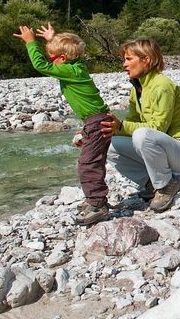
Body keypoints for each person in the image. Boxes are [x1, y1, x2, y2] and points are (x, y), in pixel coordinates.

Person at [13, 23, 112, 226]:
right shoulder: (76, 66)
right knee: (94, 160)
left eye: (53, 57)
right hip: (97, 119)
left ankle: (98, 204)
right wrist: (52, 39)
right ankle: (96, 199)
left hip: (96, 122)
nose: (51, 61)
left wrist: (31, 43)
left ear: (63, 59)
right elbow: (61, 55)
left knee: (88, 163)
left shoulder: (70, 70)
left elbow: (41, 66)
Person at [100, 38, 180, 212]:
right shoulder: (137, 88)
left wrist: (121, 126)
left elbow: (159, 128)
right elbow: (132, 122)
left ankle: (165, 186)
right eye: (124, 59)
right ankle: (151, 183)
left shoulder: (162, 86)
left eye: (129, 59)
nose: (124, 64)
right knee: (108, 144)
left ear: (147, 59)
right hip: (160, 146)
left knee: (142, 134)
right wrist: (104, 132)